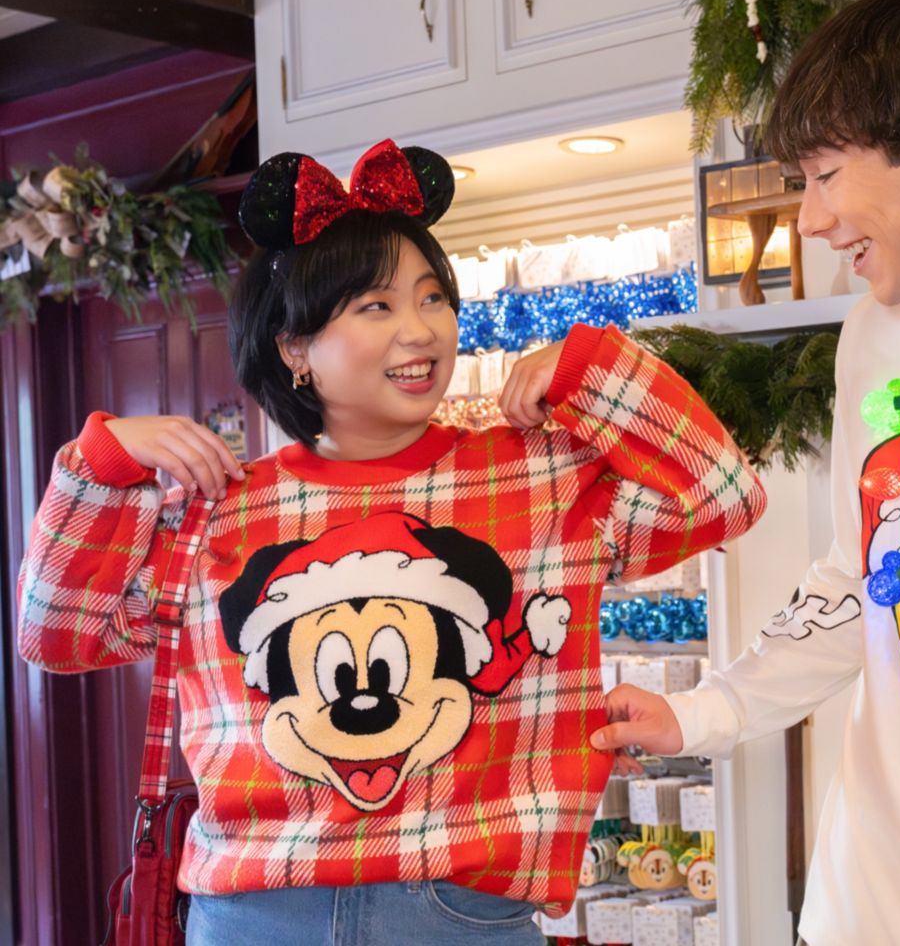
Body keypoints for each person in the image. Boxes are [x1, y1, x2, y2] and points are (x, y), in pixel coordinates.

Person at [17, 138, 766, 945]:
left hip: (460, 913)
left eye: (433, 298)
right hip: (256, 914)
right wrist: (100, 464)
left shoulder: (538, 480)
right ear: (295, 348)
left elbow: (723, 497)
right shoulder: (218, 511)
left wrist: (594, 368)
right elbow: (59, 636)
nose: (420, 330)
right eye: (376, 307)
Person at [591, 0, 900, 946]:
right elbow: (862, 574)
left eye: (824, 174)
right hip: (868, 909)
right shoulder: (881, 333)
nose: (808, 220)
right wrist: (703, 712)